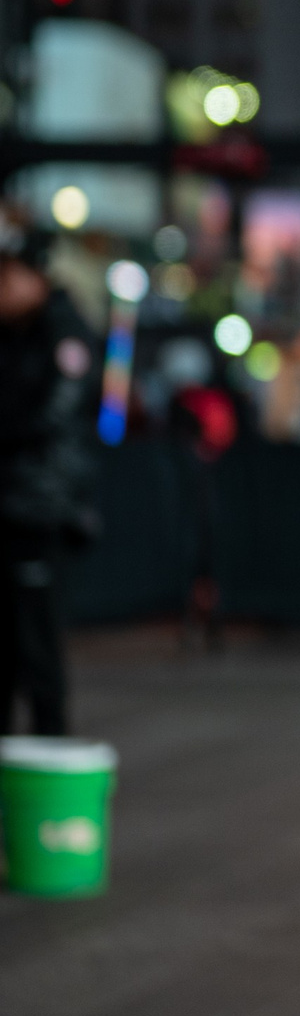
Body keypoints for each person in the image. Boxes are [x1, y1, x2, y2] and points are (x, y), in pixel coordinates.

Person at [0, 231, 97, 738]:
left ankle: (50, 750)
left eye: (7, 278)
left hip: (38, 507)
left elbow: (55, 410)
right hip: (9, 504)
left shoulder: (63, 331)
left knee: (37, 643)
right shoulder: (12, 334)